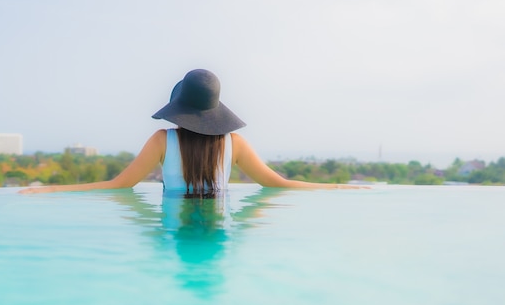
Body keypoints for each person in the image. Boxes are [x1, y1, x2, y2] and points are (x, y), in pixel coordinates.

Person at [19, 69, 363, 195]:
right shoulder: (236, 144)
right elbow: (281, 184)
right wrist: (339, 187)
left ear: (179, 109)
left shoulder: (162, 141)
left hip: (173, 232)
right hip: (219, 232)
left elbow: (116, 186)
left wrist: (50, 188)